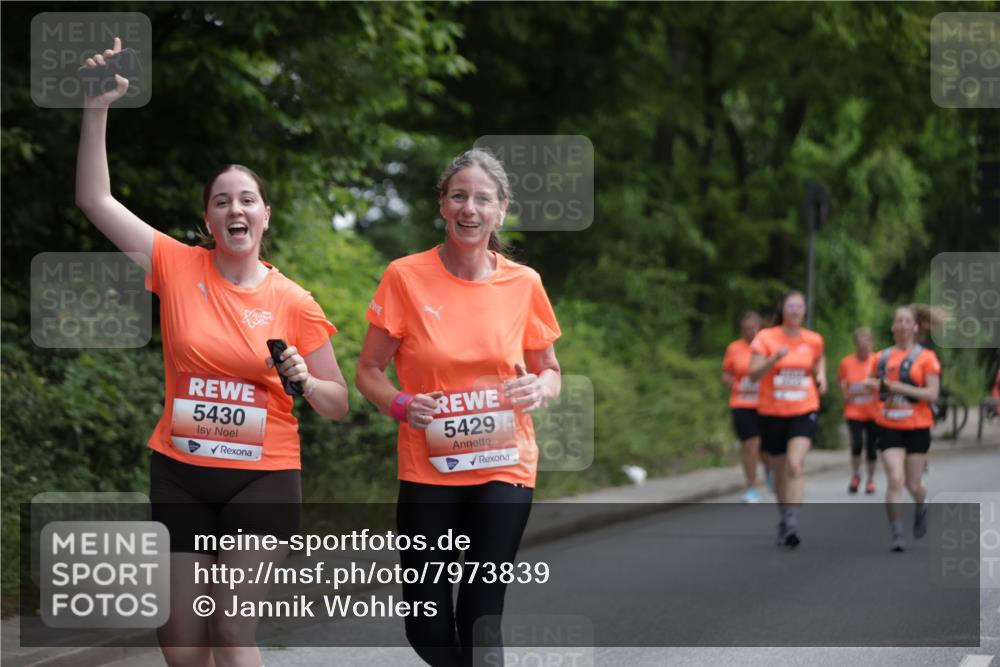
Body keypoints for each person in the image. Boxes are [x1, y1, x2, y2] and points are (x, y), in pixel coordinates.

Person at [76, 39, 349, 667]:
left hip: (263, 477)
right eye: (222, 200)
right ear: (208, 219)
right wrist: (97, 110)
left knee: (230, 631)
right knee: (180, 643)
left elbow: (336, 405)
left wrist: (306, 379)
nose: (235, 208)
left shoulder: (295, 301)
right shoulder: (175, 265)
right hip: (180, 471)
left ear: (264, 216)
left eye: (246, 199)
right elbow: (95, 201)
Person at [356, 148, 562, 667]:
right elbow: (369, 372)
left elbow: (551, 370)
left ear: (502, 209)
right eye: (459, 196)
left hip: (505, 465)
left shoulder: (524, 283)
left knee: (481, 614)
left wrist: (540, 389)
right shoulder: (405, 276)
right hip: (429, 467)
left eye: (483, 199)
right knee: (425, 624)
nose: (470, 209)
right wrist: (401, 404)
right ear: (443, 205)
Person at [748, 291, 826, 548]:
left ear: (805, 311)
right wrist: (774, 359)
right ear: (782, 309)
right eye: (790, 306)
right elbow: (753, 375)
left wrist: (822, 375)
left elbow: (818, 359)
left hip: (804, 409)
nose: (794, 311)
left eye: (799, 306)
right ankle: (784, 517)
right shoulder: (766, 338)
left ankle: (793, 523)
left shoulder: (813, 339)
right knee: (779, 472)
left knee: (795, 464)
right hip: (772, 412)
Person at [864, 306, 941, 552]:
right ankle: (897, 534)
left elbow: (932, 393)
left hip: (917, 426)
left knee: (912, 483)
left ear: (916, 327)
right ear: (893, 327)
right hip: (888, 425)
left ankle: (921, 503)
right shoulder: (881, 358)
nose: (904, 325)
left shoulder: (927, 358)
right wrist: (873, 385)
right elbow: (870, 383)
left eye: (908, 321)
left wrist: (898, 388)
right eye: (899, 321)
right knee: (895, 479)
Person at [722, 311, 766, 502]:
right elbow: (726, 373)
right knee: (749, 444)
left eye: (753, 327)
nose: (750, 332)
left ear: (760, 327)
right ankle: (751, 486)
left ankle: (770, 470)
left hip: (765, 403)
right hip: (741, 402)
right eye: (746, 328)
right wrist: (731, 381)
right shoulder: (734, 348)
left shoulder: (767, 347)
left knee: (766, 447)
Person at [837, 327, 879, 494]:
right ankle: (856, 475)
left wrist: (873, 384)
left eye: (867, 342)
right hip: (853, 411)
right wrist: (844, 389)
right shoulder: (846, 362)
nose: (864, 347)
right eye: (860, 343)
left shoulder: (877, 361)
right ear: (855, 345)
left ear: (871, 343)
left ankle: (870, 480)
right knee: (856, 443)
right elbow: (840, 380)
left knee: (871, 447)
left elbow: (885, 383)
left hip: (873, 411)